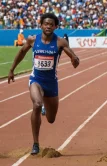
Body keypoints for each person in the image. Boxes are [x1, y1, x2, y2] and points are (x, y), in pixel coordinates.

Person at [7, 13, 80, 155]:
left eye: (51, 24)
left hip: (51, 83)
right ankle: (35, 143)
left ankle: (45, 109)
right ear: (41, 25)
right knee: (36, 104)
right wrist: (11, 69)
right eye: (45, 23)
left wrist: (75, 60)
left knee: (51, 119)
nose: (48, 26)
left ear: (55, 26)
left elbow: (75, 60)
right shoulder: (32, 40)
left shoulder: (60, 42)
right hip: (36, 80)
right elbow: (21, 52)